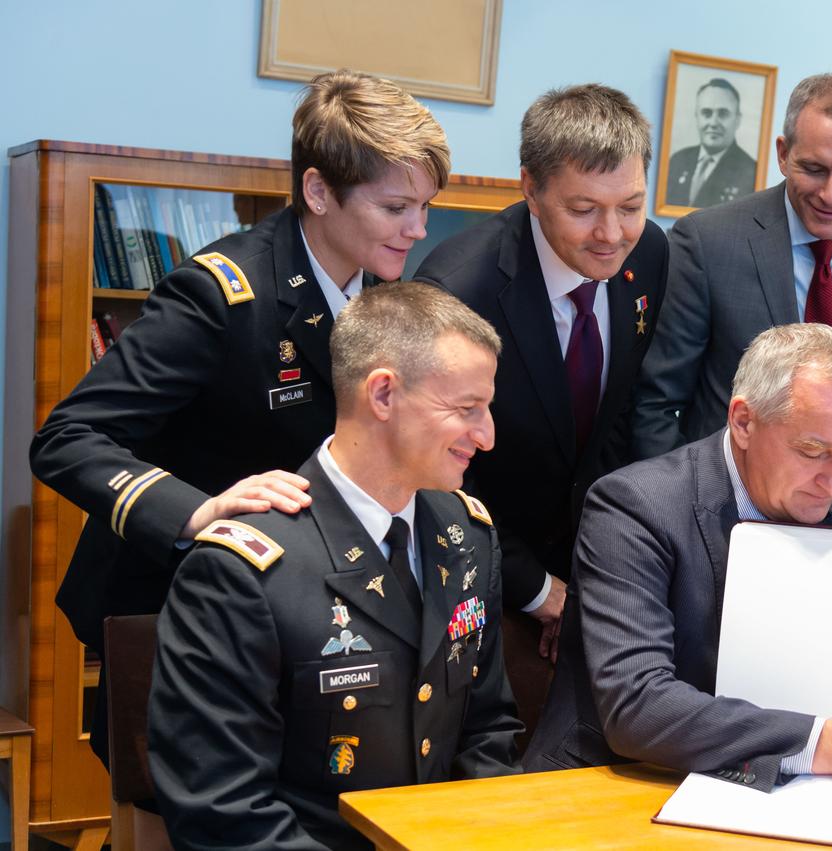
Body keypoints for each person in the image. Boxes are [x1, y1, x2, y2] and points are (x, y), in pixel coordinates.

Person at [29, 69, 450, 768]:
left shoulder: (381, 288)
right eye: (396, 207)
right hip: (182, 609)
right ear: (319, 192)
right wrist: (196, 511)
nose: (419, 229)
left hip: (311, 615)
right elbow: (67, 438)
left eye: (425, 207)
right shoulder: (222, 294)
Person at [148, 283, 521, 850]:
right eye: (466, 409)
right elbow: (223, 812)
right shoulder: (240, 571)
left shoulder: (467, 534)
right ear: (383, 394)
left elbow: (487, 733)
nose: (487, 435)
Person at [526, 323, 832, 790]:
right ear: (744, 422)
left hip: (801, 793)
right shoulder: (634, 507)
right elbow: (639, 705)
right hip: (617, 782)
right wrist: (821, 743)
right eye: (813, 451)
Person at [414, 85, 668, 674]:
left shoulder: (649, 253)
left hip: (597, 570)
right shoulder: (458, 292)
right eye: (584, 210)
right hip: (483, 574)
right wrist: (540, 591)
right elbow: (435, 471)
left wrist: (606, 572)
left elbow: (618, 416)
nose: (612, 234)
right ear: (530, 188)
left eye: (630, 206)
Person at [633, 73, 832, 460]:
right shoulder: (707, 242)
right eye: (814, 169)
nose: (831, 195)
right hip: (723, 490)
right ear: (783, 154)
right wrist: (684, 493)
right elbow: (655, 404)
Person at [665, 77, 757, 208]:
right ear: (697, 117)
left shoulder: (751, 172)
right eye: (706, 113)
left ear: (737, 120)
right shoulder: (677, 161)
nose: (713, 123)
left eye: (723, 114)